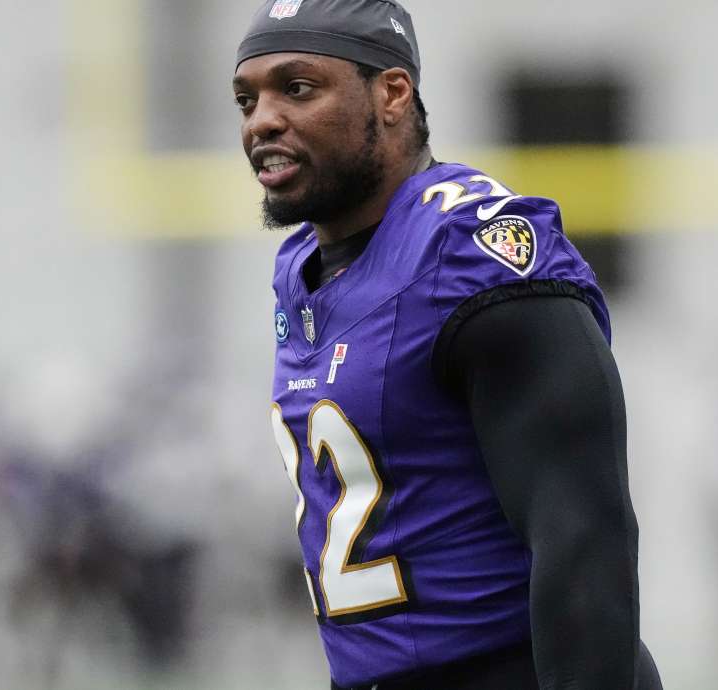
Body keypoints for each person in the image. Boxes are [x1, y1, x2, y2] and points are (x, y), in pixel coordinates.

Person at [233, 1, 662, 688]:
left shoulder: (471, 257)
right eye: (247, 99)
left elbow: (584, 538)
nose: (262, 120)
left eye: (298, 87)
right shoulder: (303, 268)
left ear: (392, 94)